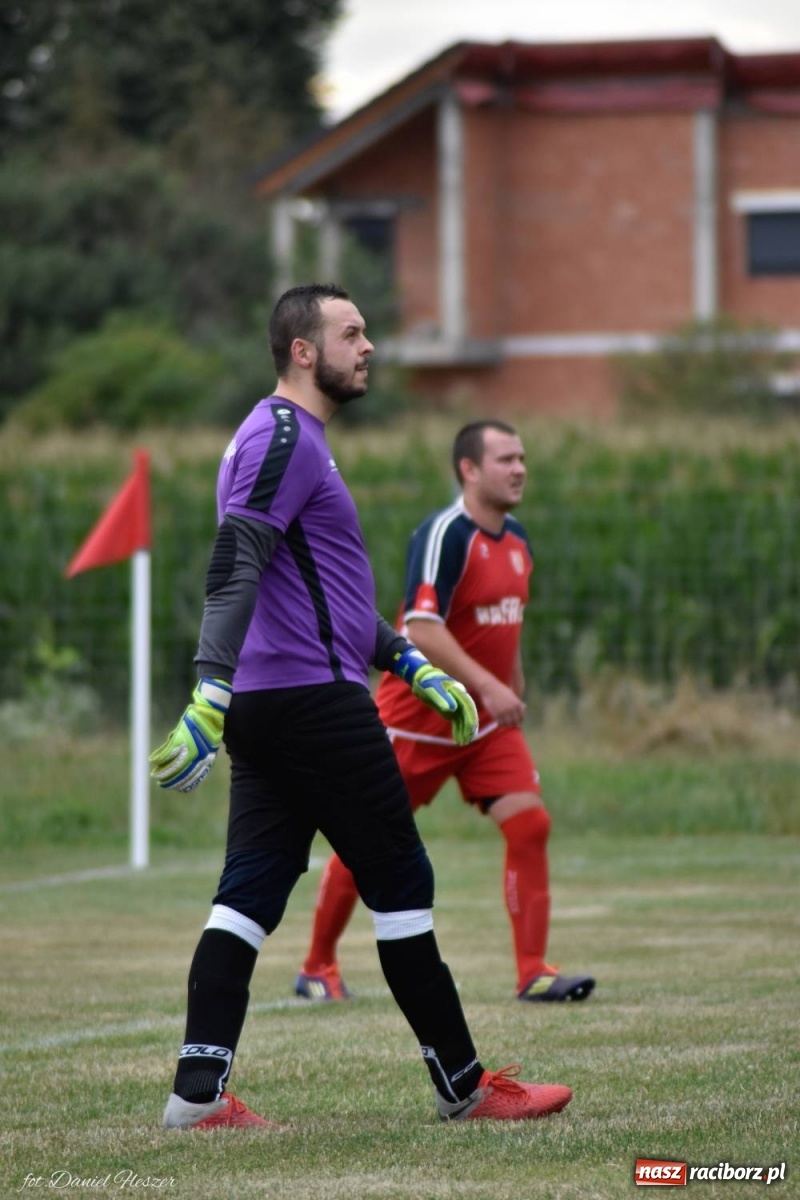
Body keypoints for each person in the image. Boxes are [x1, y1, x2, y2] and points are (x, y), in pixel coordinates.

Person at [150, 284, 573, 1129]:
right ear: (303, 351)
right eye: (351, 332)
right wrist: (208, 685)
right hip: (310, 703)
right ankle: (464, 1084)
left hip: (282, 704)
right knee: (402, 880)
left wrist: (413, 664)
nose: (369, 345)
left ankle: (196, 1096)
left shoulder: (293, 439)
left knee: (250, 893)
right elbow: (237, 558)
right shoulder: (279, 435)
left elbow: (330, 593)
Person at [295, 419, 595, 1006]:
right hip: (415, 723)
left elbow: (503, 623)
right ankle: (316, 967)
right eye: (506, 458)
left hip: (484, 727)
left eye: (522, 457)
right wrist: (488, 687)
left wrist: (513, 684)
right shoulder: (444, 535)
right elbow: (421, 630)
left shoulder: (518, 542)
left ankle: (533, 972)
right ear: (469, 469)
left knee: (530, 825)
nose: (519, 468)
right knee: (366, 845)